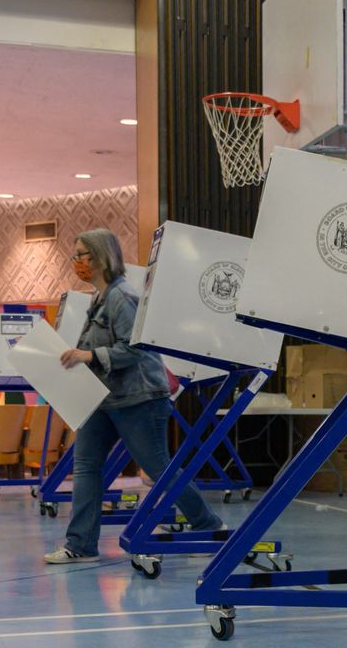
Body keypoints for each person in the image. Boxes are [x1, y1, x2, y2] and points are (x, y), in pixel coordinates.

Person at [43, 229, 221, 564]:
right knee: (85, 466)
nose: (76, 261)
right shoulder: (100, 297)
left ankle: (208, 526)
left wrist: (90, 356)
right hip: (105, 398)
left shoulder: (121, 296)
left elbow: (136, 349)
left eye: (81, 254)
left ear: (99, 257)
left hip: (139, 398)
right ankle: (79, 545)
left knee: (158, 468)